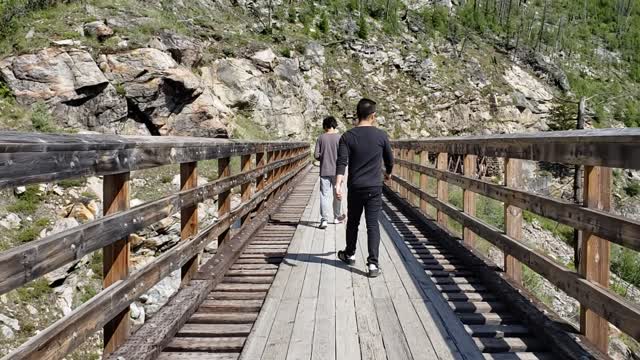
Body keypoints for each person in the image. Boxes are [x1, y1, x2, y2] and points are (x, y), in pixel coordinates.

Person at [335, 98, 393, 278]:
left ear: (357, 115)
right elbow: (389, 160)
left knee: (353, 222)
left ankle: (350, 254)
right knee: (372, 224)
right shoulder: (381, 135)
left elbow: (342, 162)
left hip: (355, 187)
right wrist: (388, 173)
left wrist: (338, 184)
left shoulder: (347, 136)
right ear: (373, 116)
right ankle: (373, 265)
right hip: (374, 186)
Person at [314, 116, 346, 230]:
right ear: (334, 125)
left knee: (324, 195)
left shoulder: (321, 138)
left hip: (324, 170)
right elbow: (344, 155)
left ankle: (324, 220)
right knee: (337, 193)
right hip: (338, 172)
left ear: (325, 126)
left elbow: (316, 155)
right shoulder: (340, 138)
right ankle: (337, 217)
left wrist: (323, 157)